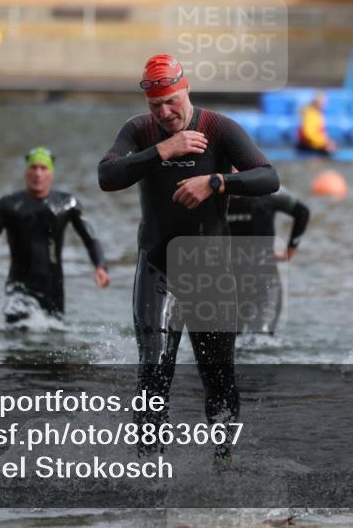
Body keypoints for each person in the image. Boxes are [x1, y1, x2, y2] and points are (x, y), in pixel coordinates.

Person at [98, 54, 279, 461]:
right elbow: (107, 176)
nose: (164, 113)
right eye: (156, 106)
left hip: (210, 273)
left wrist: (216, 182)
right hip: (157, 265)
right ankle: (149, 469)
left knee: (218, 379)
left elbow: (268, 178)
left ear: (187, 90)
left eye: (171, 102)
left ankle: (223, 467)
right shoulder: (140, 130)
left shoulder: (219, 128)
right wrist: (163, 149)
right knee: (153, 371)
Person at [0, 147, 109, 324]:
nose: (38, 173)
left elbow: (90, 239)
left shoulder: (68, 204)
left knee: (52, 340)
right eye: (33, 167)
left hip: (53, 290)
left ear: (51, 174)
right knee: (16, 341)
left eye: (43, 168)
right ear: (26, 172)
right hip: (18, 288)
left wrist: (100, 266)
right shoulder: (8, 205)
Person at [226, 182, 310, 335]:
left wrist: (289, 251)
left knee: (261, 343)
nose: (233, 170)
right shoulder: (209, 195)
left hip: (265, 284)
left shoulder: (267, 190)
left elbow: (302, 212)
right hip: (226, 286)